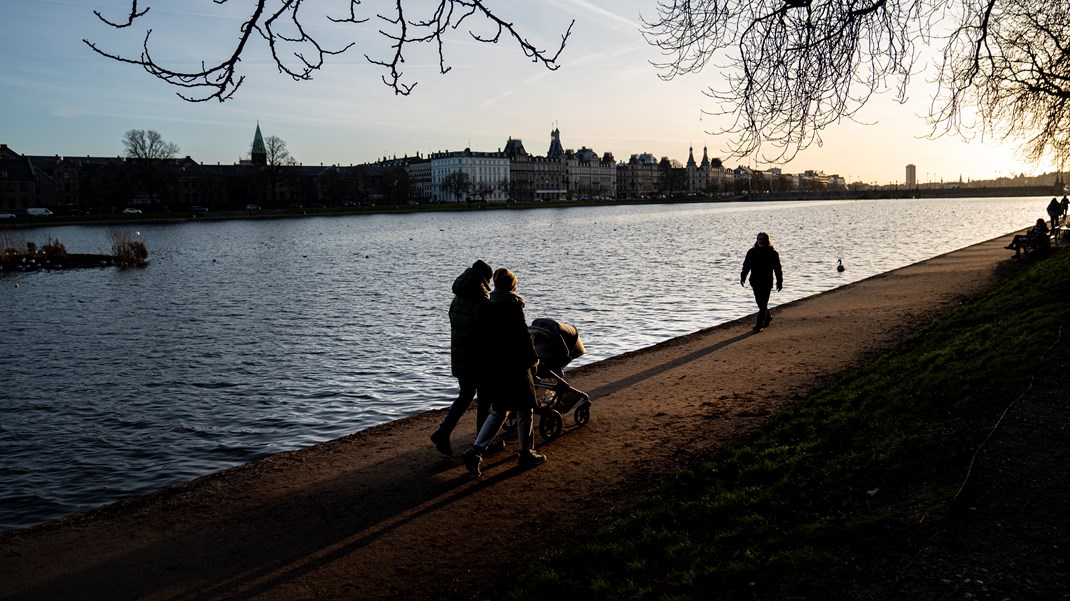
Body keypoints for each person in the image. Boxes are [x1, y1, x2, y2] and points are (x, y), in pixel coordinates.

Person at [461, 268, 546, 477]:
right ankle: (526, 453)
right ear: (512, 285)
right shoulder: (513, 306)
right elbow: (523, 336)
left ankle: (475, 451)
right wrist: (534, 359)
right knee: (526, 409)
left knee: (499, 410)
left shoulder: (487, 307)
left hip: (496, 368)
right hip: (516, 366)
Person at [430, 260, 494, 456]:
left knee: (466, 395)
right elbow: (489, 332)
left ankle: (443, 432)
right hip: (478, 359)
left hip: (460, 357)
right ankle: (481, 444)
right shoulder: (481, 300)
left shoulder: (458, 297)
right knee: (485, 399)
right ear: (485, 278)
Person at [740, 232, 783, 332]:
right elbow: (746, 266)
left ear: (767, 240)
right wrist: (743, 277)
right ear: (757, 240)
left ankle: (759, 325)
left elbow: (777, 269)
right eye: (759, 239)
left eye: (763, 239)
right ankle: (768, 317)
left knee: (763, 304)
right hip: (755, 282)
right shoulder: (751, 252)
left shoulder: (773, 253)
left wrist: (779, 282)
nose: (761, 241)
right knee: (761, 304)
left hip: (767, 282)